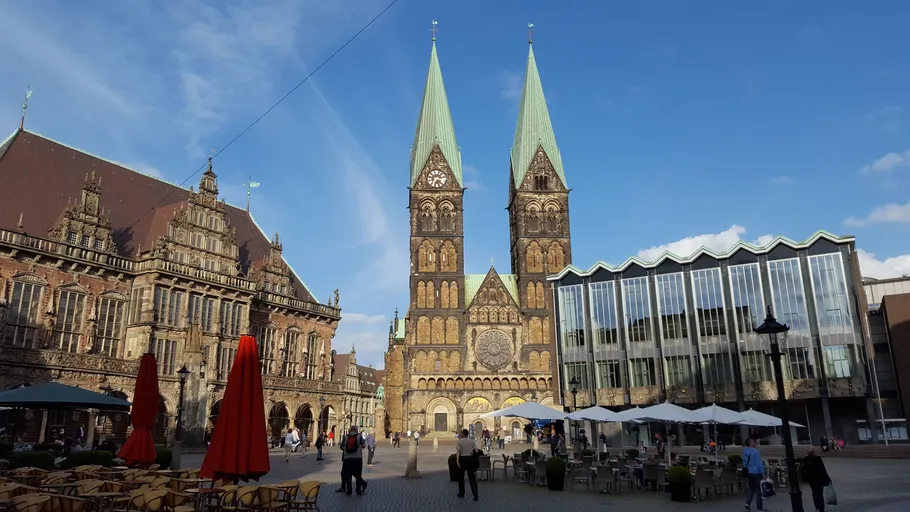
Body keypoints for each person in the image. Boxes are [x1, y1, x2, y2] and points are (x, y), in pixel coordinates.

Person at [800, 446, 832, 512]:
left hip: (812, 480)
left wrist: (804, 479)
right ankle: (821, 508)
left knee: (815, 493)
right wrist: (828, 478)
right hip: (820, 479)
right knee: (820, 494)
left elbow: (803, 470)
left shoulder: (805, 459)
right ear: (814, 451)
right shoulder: (818, 458)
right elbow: (823, 469)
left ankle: (817, 507)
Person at [339, 426, 368, 496]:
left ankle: (349, 491)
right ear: (356, 430)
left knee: (348, 475)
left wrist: (347, 450)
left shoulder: (345, 436)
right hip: (357, 458)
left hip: (347, 458)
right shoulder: (359, 436)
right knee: (358, 475)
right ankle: (358, 491)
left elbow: (342, 447)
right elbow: (363, 445)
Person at [455, 428, 479, 501]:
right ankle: (475, 494)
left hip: (462, 459)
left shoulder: (459, 441)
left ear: (462, 434)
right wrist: (472, 453)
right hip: (470, 459)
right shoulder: (472, 441)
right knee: (472, 478)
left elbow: (458, 452)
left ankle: (461, 493)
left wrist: (457, 461)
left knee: (461, 477)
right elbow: (477, 450)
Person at [743, 438, 766, 511]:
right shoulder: (755, 452)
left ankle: (747, 503)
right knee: (759, 490)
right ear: (750, 443)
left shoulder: (745, 451)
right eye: (753, 441)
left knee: (751, 488)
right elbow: (759, 464)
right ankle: (759, 507)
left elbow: (744, 463)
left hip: (749, 472)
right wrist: (763, 473)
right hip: (756, 472)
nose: (754, 441)